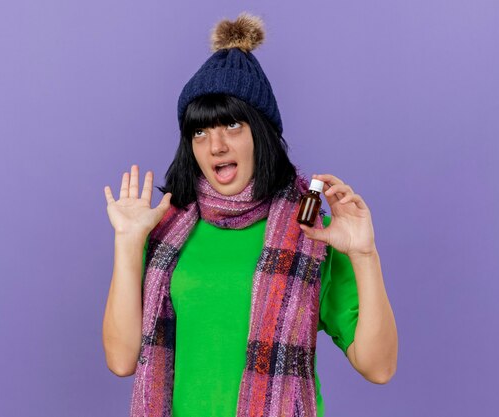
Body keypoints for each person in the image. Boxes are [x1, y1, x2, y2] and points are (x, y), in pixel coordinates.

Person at [102, 12, 398, 417]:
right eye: (200, 132)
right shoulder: (165, 232)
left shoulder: (312, 235)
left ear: (261, 133)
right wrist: (128, 242)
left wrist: (365, 254)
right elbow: (121, 360)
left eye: (232, 125)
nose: (216, 146)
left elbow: (378, 366)